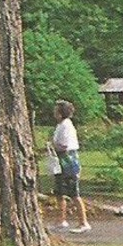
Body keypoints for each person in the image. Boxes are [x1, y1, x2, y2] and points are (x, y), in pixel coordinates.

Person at [49, 100, 92, 233]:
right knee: (60, 192)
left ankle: (83, 222)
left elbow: (64, 145)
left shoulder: (66, 126)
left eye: (57, 110)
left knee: (74, 193)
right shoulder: (60, 125)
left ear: (62, 112)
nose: (54, 112)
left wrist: (52, 146)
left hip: (69, 161)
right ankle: (61, 220)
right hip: (61, 162)